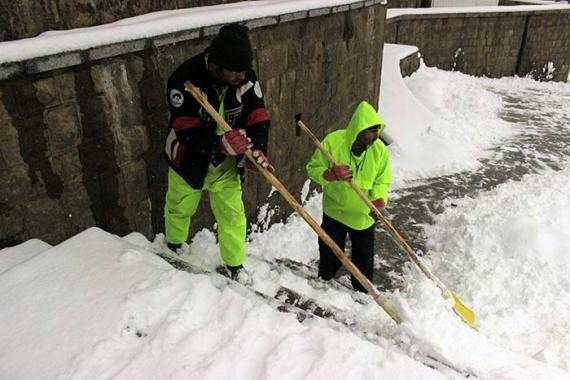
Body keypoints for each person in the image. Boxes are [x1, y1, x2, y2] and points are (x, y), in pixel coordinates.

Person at [162, 23, 271, 281]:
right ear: (218, 64)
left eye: (245, 70)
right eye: (236, 71)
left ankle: (235, 267)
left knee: (233, 216)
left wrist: (258, 148)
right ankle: (174, 248)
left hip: (226, 165)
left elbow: (257, 114)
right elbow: (184, 127)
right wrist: (218, 144)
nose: (242, 77)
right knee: (179, 207)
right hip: (187, 159)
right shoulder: (184, 79)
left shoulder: (246, 78)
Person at [306, 101, 391, 292]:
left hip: (363, 218)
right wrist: (330, 174)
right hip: (334, 212)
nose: (375, 137)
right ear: (358, 130)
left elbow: (382, 181)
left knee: (363, 264)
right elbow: (312, 169)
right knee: (329, 255)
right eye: (371, 131)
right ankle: (324, 283)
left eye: (378, 130)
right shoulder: (333, 142)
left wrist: (379, 200)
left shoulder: (379, 151)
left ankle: (362, 295)